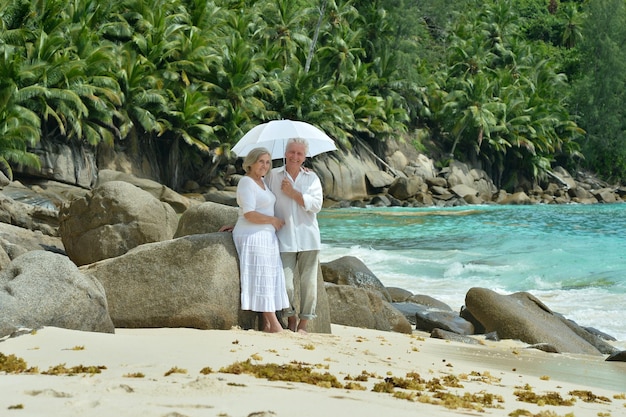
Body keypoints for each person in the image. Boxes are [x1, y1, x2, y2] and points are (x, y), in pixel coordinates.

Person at [266, 138, 323, 334]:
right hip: (283, 237)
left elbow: (316, 205)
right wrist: (240, 220)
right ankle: (290, 317)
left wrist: (293, 192)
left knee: (309, 283)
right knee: (285, 283)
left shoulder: (312, 179)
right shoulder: (272, 176)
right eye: (292, 152)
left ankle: (304, 324)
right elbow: (260, 198)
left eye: (299, 153)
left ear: (305, 156)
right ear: (285, 153)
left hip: (308, 238)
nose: (295, 157)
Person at [231, 147, 289, 333]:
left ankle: (266, 325)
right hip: (252, 234)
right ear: (251, 163)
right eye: (261, 161)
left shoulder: (263, 182)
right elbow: (248, 213)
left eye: (267, 162)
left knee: (271, 276)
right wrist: (273, 220)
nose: (264, 166)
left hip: (266, 234)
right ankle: (275, 324)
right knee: (262, 276)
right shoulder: (246, 182)